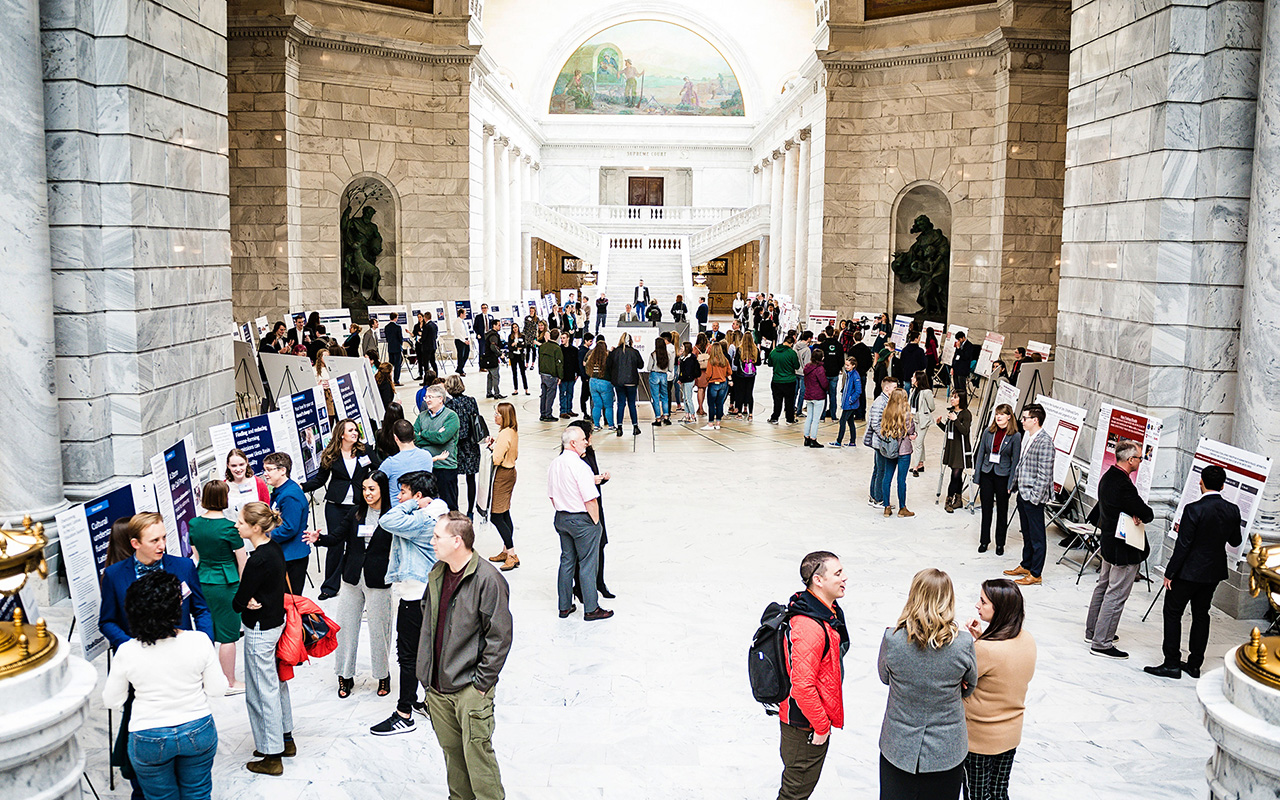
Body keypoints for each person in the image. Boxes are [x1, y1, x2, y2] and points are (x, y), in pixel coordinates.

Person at [417, 512, 514, 800]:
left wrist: (481, 683)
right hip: (438, 687)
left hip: (470, 688)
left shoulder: (488, 579)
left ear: (457, 541)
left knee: (478, 759)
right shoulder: (438, 571)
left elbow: (499, 636)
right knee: (453, 759)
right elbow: (428, 618)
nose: (432, 541)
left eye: (437, 537)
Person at [102, 572, 225, 800]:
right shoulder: (199, 641)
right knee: (197, 793)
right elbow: (218, 689)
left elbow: (111, 700)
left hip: (148, 735)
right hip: (197, 729)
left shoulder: (128, 650)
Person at [878, 568, 976, 800]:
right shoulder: (963, 644)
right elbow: (969, 687)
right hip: (946, 750)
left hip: (899, 746)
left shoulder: (892, 639)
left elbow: (885, 678)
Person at [1146, 465, 1242, 679]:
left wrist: (1169, 573)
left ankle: (1171, 663)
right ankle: (1195, 665)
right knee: (1201, 615)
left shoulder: (1193, 509)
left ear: (1202, 482)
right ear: (1223, 485)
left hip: (1188, 572)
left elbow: (1183, 546)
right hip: (1213, 572)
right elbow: (1235, 540)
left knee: (1172, 613)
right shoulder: (1233, 510)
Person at [371, 470, 446, 735]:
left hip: (416, 595)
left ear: (418, 495)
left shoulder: (423, 518)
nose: (397, 497)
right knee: (424, 652)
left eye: (402, 492)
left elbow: (387, 520)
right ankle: (423, 703)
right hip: (424, 592)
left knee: (408, 655)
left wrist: (414, 503)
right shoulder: (435, 514)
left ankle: (404, 713)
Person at [775, 551, 849, 800]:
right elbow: (802, 685)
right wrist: (820, 726)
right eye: (838, 574)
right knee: (794, 793)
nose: (845, 578)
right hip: (803, 727)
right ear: (818, 580)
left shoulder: (824, 610)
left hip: (806, 723)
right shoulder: (809, 626)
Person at [232, 501, 294, 775]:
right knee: (276, 683)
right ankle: (285, 738)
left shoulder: (257, 559)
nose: (236, 525)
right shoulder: (274, 548)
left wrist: (244, 601)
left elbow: (238, 601)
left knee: (261, 690)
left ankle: (271, 754)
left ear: (255, 527)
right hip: (274, 623)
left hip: (259, 629)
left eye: (241, 522)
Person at [963, 579, 1037, 800]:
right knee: (998, 792)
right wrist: (981, 638)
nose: (977, 605)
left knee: (976, 795)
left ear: (1000, 609)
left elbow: (960, 683)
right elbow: (1002, 672)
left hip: (980, 739)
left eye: (984, 602)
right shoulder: (1027, 639)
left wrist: (978, 644)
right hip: (1010, 734)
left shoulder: (985, 650)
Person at [1083, 439, 1156, 658]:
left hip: (1108, 543)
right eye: (1139, 458)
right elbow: (1147, 513)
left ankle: (1093, 631)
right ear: (1131, 459)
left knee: (1103, 587)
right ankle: (1102, 642)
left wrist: (1133, 511)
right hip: (1123, 547)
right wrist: (1137, 512)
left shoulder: (1108, 476)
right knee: (1116, 594)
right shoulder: (1124, 484)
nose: (1140, 462)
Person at [301, 419, 380, 600]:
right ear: (341, 434)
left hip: (359, 506)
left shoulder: (365, 450)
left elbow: (379, 469)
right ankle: (330, 586)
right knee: (335, 544)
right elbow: (320, 479)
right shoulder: (331, 454)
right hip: (336, 506)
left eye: (356, 430)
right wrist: (303, 487)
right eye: (351, 430)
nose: (355, 433)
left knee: (360, 543)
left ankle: (360, 582)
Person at [332, 469, 394, 699]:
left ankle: (382, 674)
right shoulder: (355, 514)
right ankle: (344, 675)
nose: (367, 493)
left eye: (372, 489)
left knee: (380, 629)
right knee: (346, 627)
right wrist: (319, 539)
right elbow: (337, 537)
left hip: (379, 579)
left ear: (382, 490)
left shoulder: (391, 515)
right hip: (352, 578)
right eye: (364, 489)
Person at [188, 480, 247, 694]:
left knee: (206, 632)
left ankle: (206, 679)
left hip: (203, 579)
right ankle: (228, 681)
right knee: (228, 634)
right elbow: (242, 561)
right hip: (226, 582)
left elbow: (197, 554)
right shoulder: (230, 528)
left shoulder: (194, 524)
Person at [547, 426, 613, 620]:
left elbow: (551, 495)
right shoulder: (580, 466)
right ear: (573, 443)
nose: (587, 441)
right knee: (587, 564)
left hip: (561, 518)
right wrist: (596, 524)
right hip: (582, 520)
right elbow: (591, 499)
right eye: (584, 439)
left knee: (567, 561)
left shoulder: (555, 463)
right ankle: (591, 608)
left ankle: (564, 606)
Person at [1003, 404, 1055, 587]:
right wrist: (1014, 484)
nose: (1022, 421)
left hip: (1033, 496)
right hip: (1023, 492)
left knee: (1037, 535)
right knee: (1026, 532)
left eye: (1025, 418)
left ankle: (1035, 573)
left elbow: (1044, 474)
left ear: (1035, 420)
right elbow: (1022, 463)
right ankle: (1026, 564)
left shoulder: (1045, 442)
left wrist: (1034, 497)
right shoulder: (1029, 436)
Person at [567, 420, 614, 601]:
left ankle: (599, 582)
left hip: (596, 504)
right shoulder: (575, 458)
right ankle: (580, 586)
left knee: (600, 545)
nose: (591, 438)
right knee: (583, 550)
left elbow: (592, 477)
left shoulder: (589, 453)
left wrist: (602, 479)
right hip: (584, 508)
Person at [971, 403, 1018, 550]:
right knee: (986, 509)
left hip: (1003, 476)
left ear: (1009, 417)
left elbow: (1015, 461)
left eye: (1002, 414)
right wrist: (977, 476)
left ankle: (1000, 543)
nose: (998, 417)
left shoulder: (1015, 436)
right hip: (987, 473)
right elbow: (980, 455)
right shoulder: (988, 432)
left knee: (1002, 511)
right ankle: (984, 541)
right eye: (997, 414)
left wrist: (1011, 484)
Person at [484, 403, 521, 571]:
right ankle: (506, 551)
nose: (495, 416)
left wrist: (491, 448)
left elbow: (497, 458)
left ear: (504, 416)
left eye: (498, 413)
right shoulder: (511, 431)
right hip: (510, 472)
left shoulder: (505, 433)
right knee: (505, 513)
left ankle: (512, 554)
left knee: (497, 516)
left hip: (503, 474)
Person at [414, 384, 461, 511]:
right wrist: (434, 436)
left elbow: (442, 438)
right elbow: (414, 438)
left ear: (441, 399)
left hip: (445, 467)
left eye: (430, 397)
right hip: (427, 467)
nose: (427, 400)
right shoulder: (422, 416)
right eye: (426, 397)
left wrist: (422, 434)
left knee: (449, 506)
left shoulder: (451, 416)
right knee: (427, 507)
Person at [444, 374, 482, 518]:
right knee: (470, 478)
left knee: (454, 478)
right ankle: (470, 510)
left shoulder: (449, 405)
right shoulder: (471, 401)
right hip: (471, 444)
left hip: (456, 446)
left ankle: (456, 509)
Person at [878, 388, 917, 517]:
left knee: (887, 477)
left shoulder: (886, 413)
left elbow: (882, 429)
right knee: (901, 479)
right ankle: (902, 508)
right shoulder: (907, 416)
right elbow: (911, 432)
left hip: (890, 449)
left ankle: (887, 507)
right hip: (904, 450)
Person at [933, 394, 972, 515]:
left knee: (955, 475)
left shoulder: (966, 414)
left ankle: (949, 499)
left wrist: (956, 420)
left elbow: (965, 431)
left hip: (960, 449)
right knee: (957, 474)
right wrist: (940, 424)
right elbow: (949, 430)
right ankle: (958, 498)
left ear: (962, 399)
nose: (952, 399)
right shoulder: (951, 412)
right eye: (952, 397)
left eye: (955, 397)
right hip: (952, 447)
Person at [864, 376, 900, 506]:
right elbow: (875, 424)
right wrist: (887, 438)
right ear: (886, 388)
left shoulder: (887, 401)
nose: (896, 390)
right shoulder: (880, 402)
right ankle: (878, 498)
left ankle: (874, 496)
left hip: (881, 441)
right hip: (881, 443)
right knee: (881, 470)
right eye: (894, 388)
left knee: (878, 468)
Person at [606, 332, 644, 437]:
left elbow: (608, 365)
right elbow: (641, 365)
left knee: (620, 404)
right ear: (631, 341)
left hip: (618, 382)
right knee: (631, 404)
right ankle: (635, 426)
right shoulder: (634, 352)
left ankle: (619, 427)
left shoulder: (615, 352)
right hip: (632, 382)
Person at [223, 448, 271, 527]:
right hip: (232, 534)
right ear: (228, 465)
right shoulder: (223, 487)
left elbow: (267, 511)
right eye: (234, 466)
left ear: (247, 462)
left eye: (241, 464)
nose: (238, 469)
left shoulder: (258, 483)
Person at [829, 356, 862, 447]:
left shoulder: (855, 376)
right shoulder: (848, 374)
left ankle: (839, 441)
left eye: (848, 365)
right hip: (847, 403)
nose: (846, 367)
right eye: (845, 365)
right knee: (850, 422)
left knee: (842, 421)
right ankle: (852, 441)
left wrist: (851, 399)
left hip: (850, 404)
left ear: (853, 365)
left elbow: (858, 390)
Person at [768, 335, 800, 425]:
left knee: (777, 401)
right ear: (791, 343)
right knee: (789, 401)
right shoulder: (791, 353)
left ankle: (775, 418)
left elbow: (770, 364)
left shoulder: (774, 352)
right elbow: (797, 366)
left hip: (776, 380)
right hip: (789, 381)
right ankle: (789, 419)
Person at [584, 337, 615, 431]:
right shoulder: (608, 356)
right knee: (608, 406)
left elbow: (586, 368)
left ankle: (596, 425)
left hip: (593, 382)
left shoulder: (591, 356)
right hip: (605, 382)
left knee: (597, 405)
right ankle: (611, 425)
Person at [908, 370, 935, 476]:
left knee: (918, 443)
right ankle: (920, 464)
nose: (911, 379)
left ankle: (915, 467)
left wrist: (924, 411)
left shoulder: (927, 392)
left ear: (918, 380)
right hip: (914, 420)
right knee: (920, 442)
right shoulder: (912, 390)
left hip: (923, 421)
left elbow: (932, 407)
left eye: (913, 377)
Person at [801, 348, 828, 447]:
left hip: (809, 394)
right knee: (816, 419)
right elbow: (823, 383)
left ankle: (806, 438)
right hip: (818, 396)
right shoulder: (819, 369)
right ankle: (813, 439)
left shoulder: (807, 367)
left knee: (809, 417)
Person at [703, 341, 731, 431]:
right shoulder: (724, 360)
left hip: (713, 383)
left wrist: (708, 380)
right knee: (719, 403)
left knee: (711, 404)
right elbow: (729, 372)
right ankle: (718, 423)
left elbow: (708, 374)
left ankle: (710, 423)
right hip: (723, 383)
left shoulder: (711, 361)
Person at [537, 328, 562, 422]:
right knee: (550, 395)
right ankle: (548, 414)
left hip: (543, 373)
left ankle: (542, 413)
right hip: (551, 375)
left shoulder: (543, 346)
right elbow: (559, 364)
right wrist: (560, 376)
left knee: (543, 394)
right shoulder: (557, 348)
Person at [648, 335, 674, 426]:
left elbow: (648, 368)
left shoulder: (653, 354)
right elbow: (671, 368)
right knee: (665, 397)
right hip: (664, 375)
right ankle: (666, 417)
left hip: (654, 375)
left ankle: (658, 419)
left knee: (655, 398)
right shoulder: (669, 355)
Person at [849, 330, 872, 420]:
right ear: (862, 338)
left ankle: (856, 412)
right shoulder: (866, 349)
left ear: (853, 338)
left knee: (855, 393)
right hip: (863, 374)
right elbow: (869, 362)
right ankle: (862, 413)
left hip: (855, 374)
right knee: (862, 393)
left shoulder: (852, 350)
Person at [558, 330, 581, 419]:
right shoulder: (559, 349)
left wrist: (577, 373)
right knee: (563, 393)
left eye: (564, 338)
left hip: (571, 375)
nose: (562, 340)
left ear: (568, 338)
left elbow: (576, 362)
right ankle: (563, 410)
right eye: (561, 338)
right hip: (563, 376)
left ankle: (569, 409)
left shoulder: (574, 350)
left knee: (570, 393)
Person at [951, 332, 977, 402]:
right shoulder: (958, 346)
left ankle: (963, 403)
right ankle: (956, 402)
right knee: (956, 387)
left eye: (959, 339)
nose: (958, 341)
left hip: (962, 370)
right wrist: (952, 367)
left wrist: (959, 349)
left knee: (962, 387)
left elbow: (965, 357)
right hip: (956, 368)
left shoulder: (969, 346)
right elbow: (955, 356)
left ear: (963, 338)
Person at [482, 320, 505, 399]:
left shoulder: (488, 334)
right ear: (494, 326)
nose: (500, 326)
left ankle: (489, 392)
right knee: (495, 376)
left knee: (490, 376)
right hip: (492, 358)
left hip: (487, 358)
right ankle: (496, 393)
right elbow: (493, 347)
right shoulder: (493, 335)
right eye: (498, 325)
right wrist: (500, 354)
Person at [415, 311, 439, 377]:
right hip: (433, 346)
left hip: (426, 347)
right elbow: (436, 336)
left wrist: (420, 340)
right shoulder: (434, 325)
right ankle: (436, 375)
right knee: (433, 362)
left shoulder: (426, 326)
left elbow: (424, 337)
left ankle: (427, 378)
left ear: (425, 317)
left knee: (426, 363)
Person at [506, 328, 529, 396]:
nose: (515, 329)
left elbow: (524, 345)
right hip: (513, 356)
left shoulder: (522, 336)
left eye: (516, 327)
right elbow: (509, 347)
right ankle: (516, 389)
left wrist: (517, 345)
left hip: (520, 356)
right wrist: (516, 348)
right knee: (514, 373)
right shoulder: (510, 336)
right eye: (513, 327)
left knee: (523, 372)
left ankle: (526, 389)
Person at [384, 314, 404, 385]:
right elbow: (400, 338)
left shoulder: (386, 327)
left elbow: (387, 337)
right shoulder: (398, 327)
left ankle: (388, 379)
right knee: (397, 365)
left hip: (390, 347)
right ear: (396, 318)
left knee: (390, 365)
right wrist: (400, 344)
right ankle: (396, 380)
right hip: (397, 348)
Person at [451, 309, 471, 376]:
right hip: (460, 340)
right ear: (461, 314)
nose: (466, 314)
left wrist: (468, 339)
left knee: (466, 354)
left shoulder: (463, 322)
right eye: (465, 313)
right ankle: (460, 369)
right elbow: (458, 334)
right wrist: (464, 341)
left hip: (465, 340)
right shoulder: (457, 322)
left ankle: (459, 368)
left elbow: (466, 331)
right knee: (461, 356)